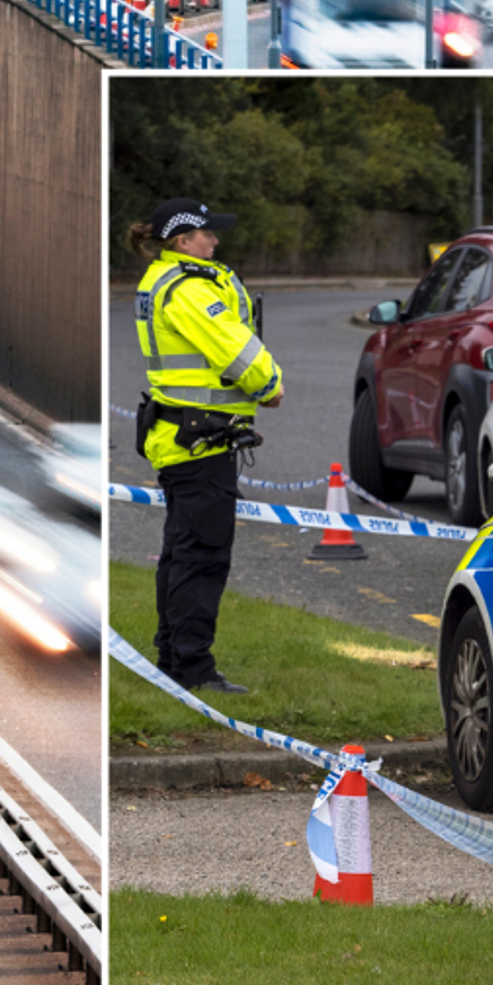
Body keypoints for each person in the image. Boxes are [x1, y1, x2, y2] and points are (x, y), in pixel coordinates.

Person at [131, 197, 283, 695]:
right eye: (207, 234)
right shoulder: (191, 290)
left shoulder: (164, 279)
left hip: (181, 436)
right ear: (182, 241)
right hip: (200, 442)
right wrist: (270, 385)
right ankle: (193, 669)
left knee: (181, 553)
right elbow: (234, 348)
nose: (215, 241)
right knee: (204, 557)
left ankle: (173, 656)